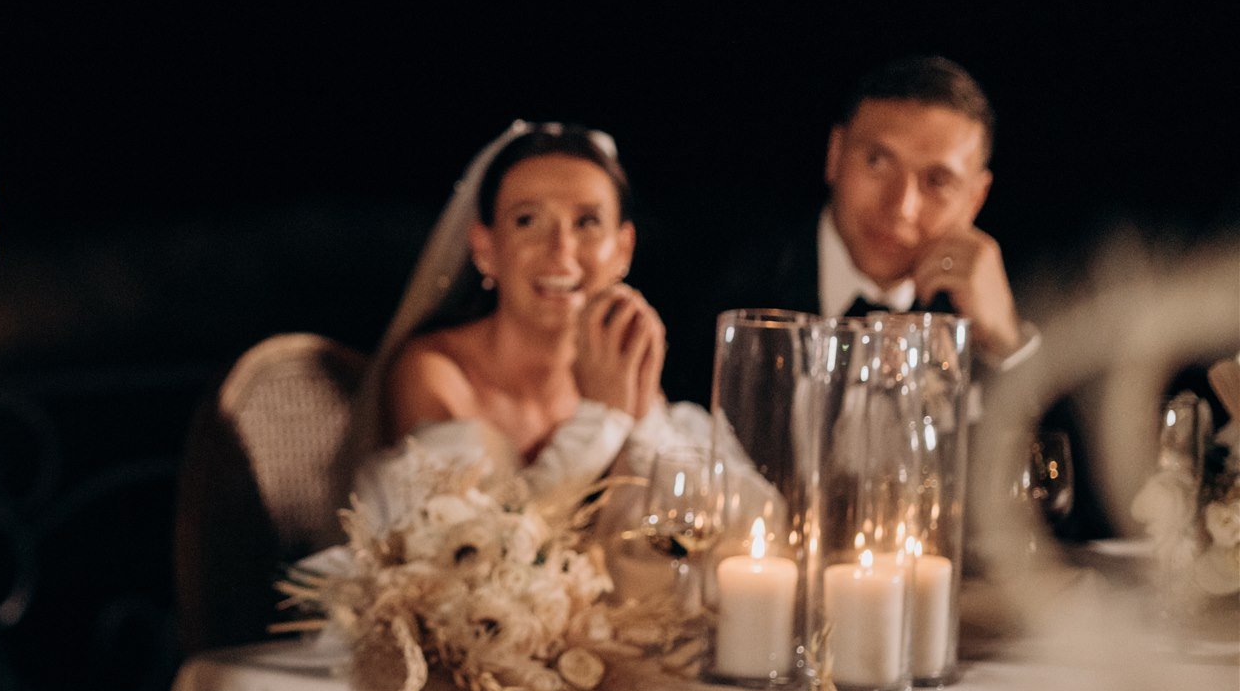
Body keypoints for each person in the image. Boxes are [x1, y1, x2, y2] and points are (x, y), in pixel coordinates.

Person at [362, 121, 723, 506]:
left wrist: (643, 421)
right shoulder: (435, 373)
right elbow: (467, 548)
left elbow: (679, 524)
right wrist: (602, 418)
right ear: (484, 247)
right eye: (527, 220)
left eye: (587, 222)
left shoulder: (620, 365)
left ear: (623, 249)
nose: (562, 251)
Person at [667, 54, 1037, 406]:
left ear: (975, 199)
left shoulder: (992, 310)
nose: (901, 208)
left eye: (937, 181)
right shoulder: (725, 277)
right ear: (835, 154)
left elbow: (1064, 462)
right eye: (877, 161)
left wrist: (1006, 344)